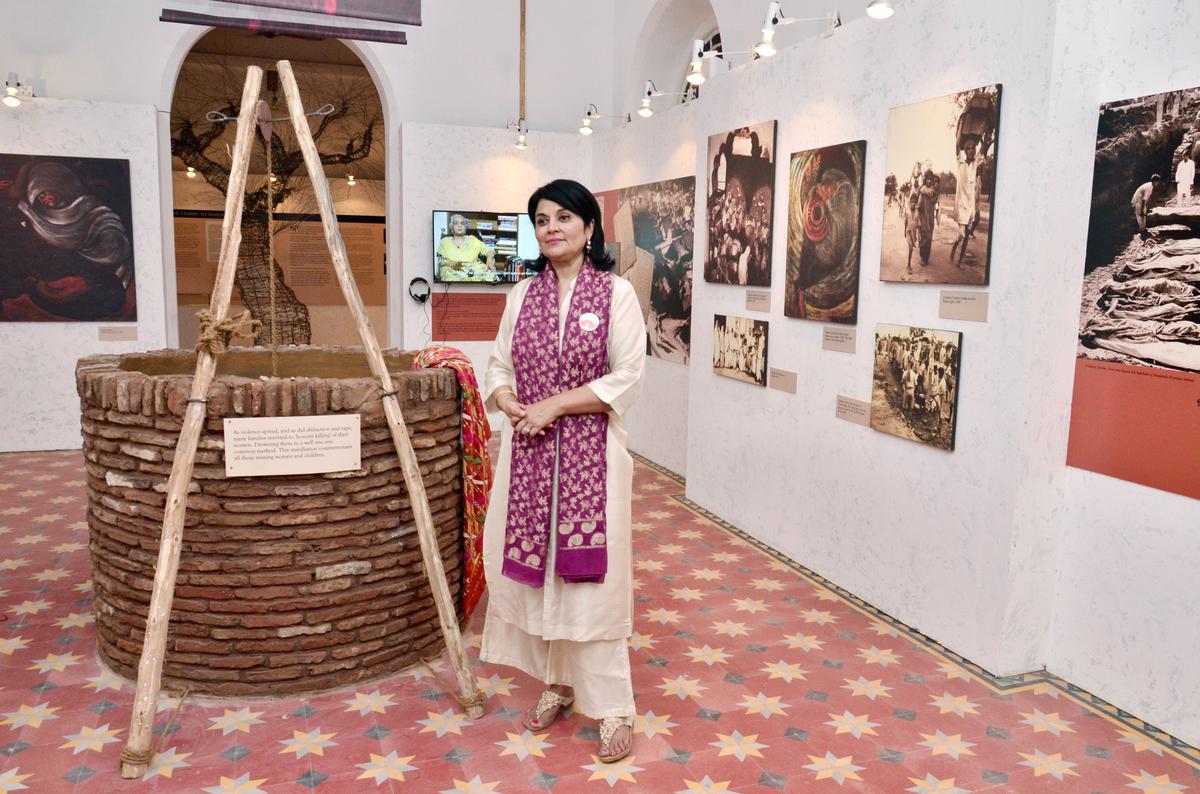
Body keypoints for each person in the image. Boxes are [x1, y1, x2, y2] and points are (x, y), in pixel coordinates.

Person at [480, 179, 647, 764]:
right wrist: (504, 398)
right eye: (542, 220)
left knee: (591, 585)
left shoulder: (616, 294)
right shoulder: (522, 296)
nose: (552, 228)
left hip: (590, 460)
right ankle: (559, 683)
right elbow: (499, 362)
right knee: (544, 571)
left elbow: (626, 375)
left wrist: (554, 403)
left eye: (564, 217)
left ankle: (614, 708)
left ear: (588, 227)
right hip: (528, 458)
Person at [950, 139, 983, 266]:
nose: (970, 150)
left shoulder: (975, 163)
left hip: (970, 205)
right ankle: (954, 245)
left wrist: (983, 139)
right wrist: (959, 135)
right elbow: (957, 145)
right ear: (965, 150)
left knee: (967, 235)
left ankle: (959, 261)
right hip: (962, 205)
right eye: (968, 148)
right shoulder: (960, 162)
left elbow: (983, 149)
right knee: (961, 234)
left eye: (972, 148)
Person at [437, 213, 497, 281]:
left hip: (474, 269)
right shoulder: (445, 241)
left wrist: (489, 260)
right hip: (452, 270)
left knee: (490, 276)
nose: (459, 225)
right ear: (452, 227)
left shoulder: (472, 239)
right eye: (456, 223)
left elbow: (489, 250)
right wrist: (451, 264)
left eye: (462, 223)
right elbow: (441, 260)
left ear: (465, 227)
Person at [1131, 174, 1161, 239]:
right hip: (1138, 200)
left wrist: (1147, 208)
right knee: (1140, 215)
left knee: (1144, 213)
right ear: (1155, 181)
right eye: (1158, 182)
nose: (1158, 183)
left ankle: (1144, 229)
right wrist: (1142, 210)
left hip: (1141, 200)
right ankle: (1142, 231)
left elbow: (1147, 199)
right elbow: (1144, 199)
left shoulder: (1150, 185)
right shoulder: (1149, 187)